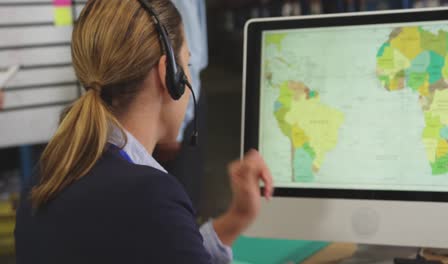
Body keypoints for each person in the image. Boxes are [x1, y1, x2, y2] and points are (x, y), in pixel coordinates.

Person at [14, 1, 273, 264]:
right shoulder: (150, 195)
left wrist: (236, 218)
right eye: (188, 64)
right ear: (167, 74)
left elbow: (166, 247)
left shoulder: (47, 173)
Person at [154, 0, 209, 211]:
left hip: (186, 91)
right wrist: (176, 131)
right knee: (180, 203)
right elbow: (180, 59)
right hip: (178, 97)